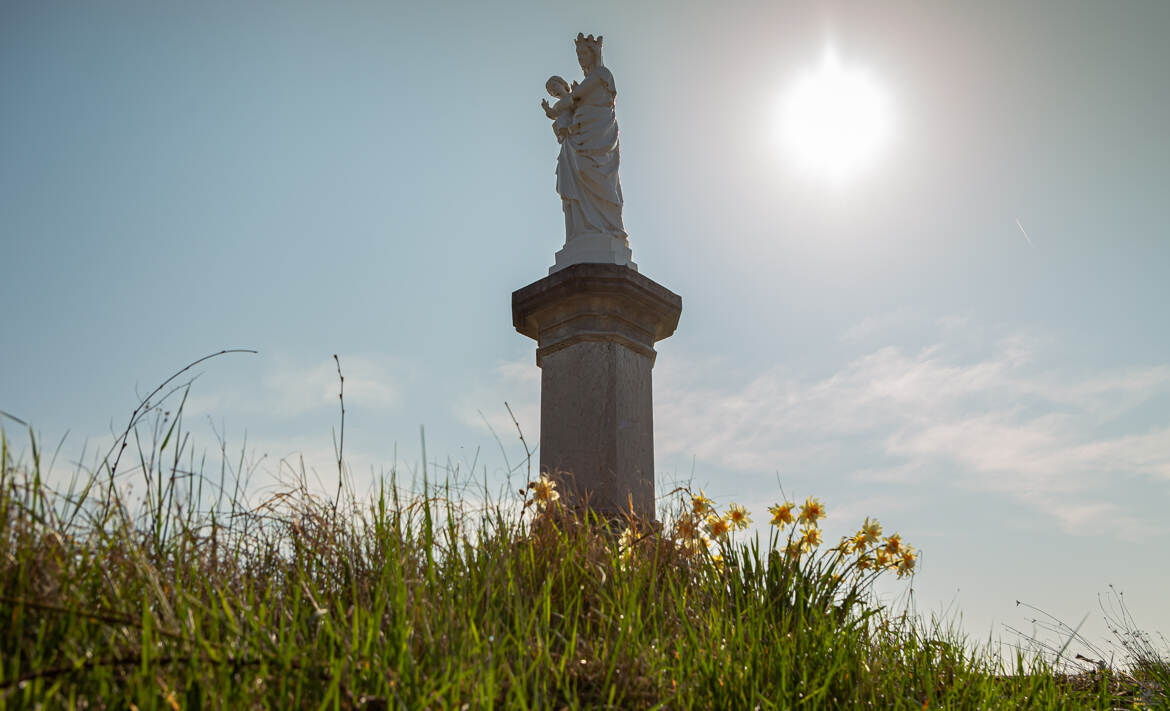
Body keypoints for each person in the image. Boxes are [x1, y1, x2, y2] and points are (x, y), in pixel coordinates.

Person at [542, 33, 627, 244]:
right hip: (577, 138)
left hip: (597, 136)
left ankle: (608, 229)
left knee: (593, 174)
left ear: (593, 53)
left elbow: (575, 98)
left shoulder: (600, 75)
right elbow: (571, 103)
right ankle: (581, 232)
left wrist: (553, 111)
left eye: (583, 53)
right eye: (578, 55)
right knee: (575, 177)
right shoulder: (586, 82)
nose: (580, 59)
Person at [542, 76, 574, 144]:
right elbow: (554, 115)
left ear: (563, 84)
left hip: (574, 117)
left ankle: (566, 131)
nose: (553, 90)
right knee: (556, 123)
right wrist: (547, 109)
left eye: (554, 85)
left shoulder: (572, 95)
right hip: (564, 124)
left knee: (563, 117)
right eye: (550, 91)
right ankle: (562, 135)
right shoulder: (557, 105)